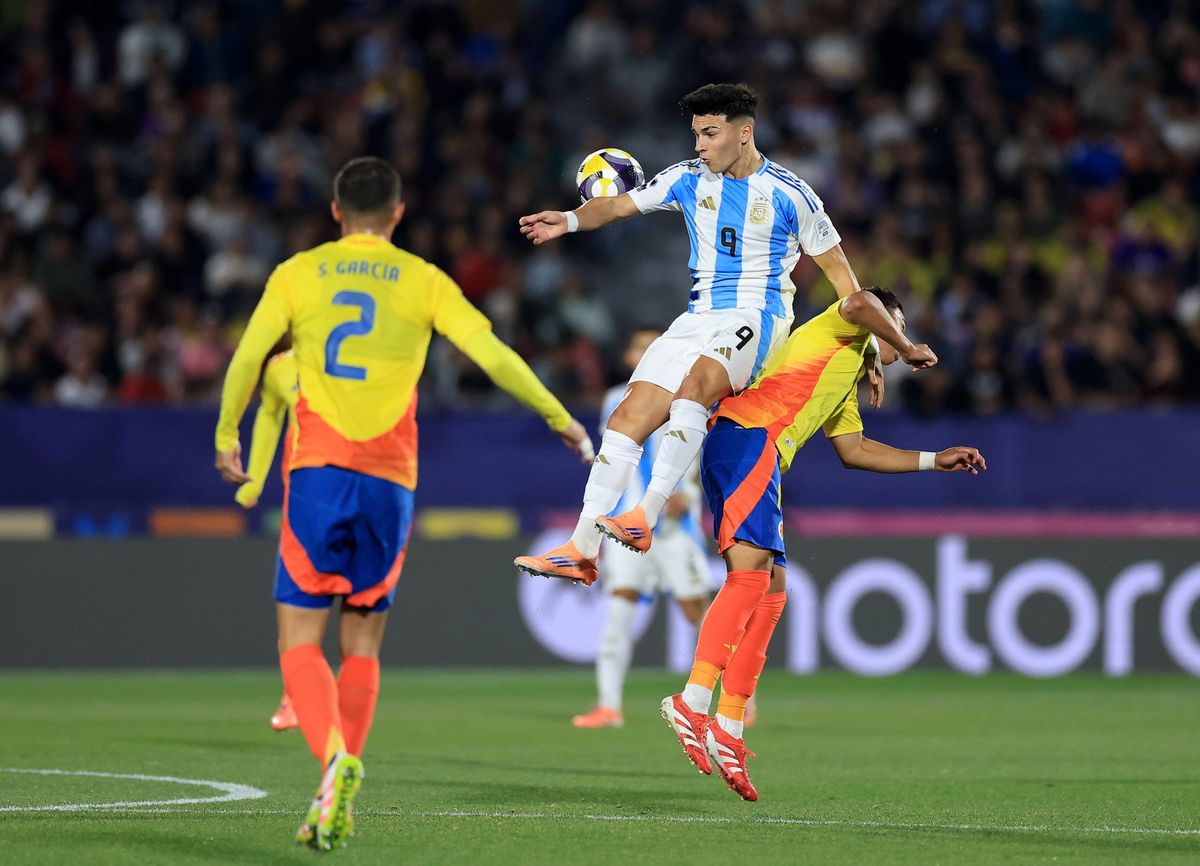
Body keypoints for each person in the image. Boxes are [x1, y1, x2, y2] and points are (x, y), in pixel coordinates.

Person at [214, 157, 593, 851]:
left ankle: (333, 764)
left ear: (335, 211)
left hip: (321, 472)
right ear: (396, 214)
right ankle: (340, 794)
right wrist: (560, 418)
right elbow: (494, 354)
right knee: (363, 642)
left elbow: (247, 356)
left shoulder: (298, 273)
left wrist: (226, 433)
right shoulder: (424, 280)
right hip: (392, 480)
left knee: (299, 640)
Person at [514, 83, 870, 586]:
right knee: (625, 418)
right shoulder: (686, 178)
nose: (699, 145)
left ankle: (646, 514)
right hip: (697, 317)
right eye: (696, 134)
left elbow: (842, 280)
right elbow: (618, 206)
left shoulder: (792, 194)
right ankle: (581, 546)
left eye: (710, 133)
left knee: (695, 388)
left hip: (758, 315)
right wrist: (569, 220)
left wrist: (866, 348)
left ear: (744, 134)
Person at [660, 287, 985, 802]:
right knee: (750, 576)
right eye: (891, 326)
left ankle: (729, 726)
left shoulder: (847, 367)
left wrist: (932, 458)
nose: (895, 346)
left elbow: (854, 451)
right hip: (747, 436)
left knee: (772, 588)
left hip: (761, 454)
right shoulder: (847, 324)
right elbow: (858, 302)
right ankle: (693, 700)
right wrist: (902, 339)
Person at [572, 327, 713, 730]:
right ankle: (608, 705)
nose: (645, 350)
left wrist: (687, 489)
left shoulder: (693, 391)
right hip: (622, 522)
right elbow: (619, 453)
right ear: (631, 355)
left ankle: (737, 699)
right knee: (618, 607)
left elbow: (696, 446)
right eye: (638, 344)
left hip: (674, 526)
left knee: (696, 613)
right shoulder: (615, 398)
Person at [227, 344, 301, 733]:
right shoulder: (281, 368)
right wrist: (254, 475)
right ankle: (295, 691)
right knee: (293, 595)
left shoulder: (365, 355)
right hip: (303, 494)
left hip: (364, 489)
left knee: (361, 606)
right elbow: (271, 414)